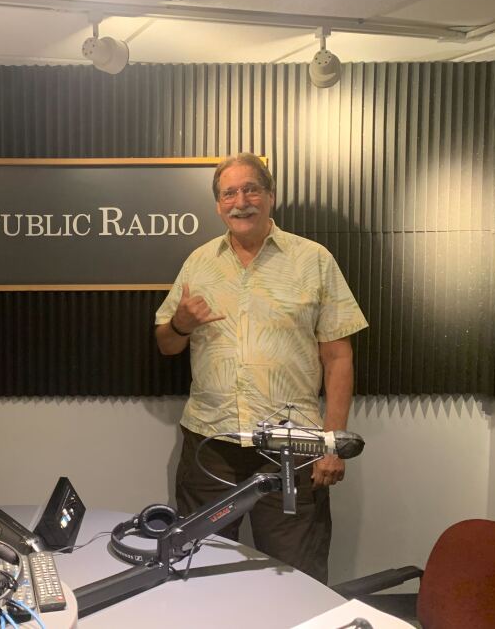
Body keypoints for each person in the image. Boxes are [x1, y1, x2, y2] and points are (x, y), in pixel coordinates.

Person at [154, 153, 367, 583]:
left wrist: (331, 442)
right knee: (199, 567)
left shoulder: (313, 260)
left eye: (251, 189)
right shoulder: (199, 263)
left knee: (294, 573)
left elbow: (338, 356)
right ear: (218, 205)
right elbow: (167, 344)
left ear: (270, 196)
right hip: (211, 442)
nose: (241, 200)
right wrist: (181, 323)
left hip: (290, 448)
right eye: (229, 192)